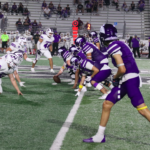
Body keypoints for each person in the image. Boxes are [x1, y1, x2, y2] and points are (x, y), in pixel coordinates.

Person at [83, 23, 150, 143]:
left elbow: (122, 69)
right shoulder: (119, 43)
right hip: (125, 80)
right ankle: (100, 136)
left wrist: (115, 77)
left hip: (129, 79)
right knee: (107, 104)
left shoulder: (113, 45)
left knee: (142, 110)